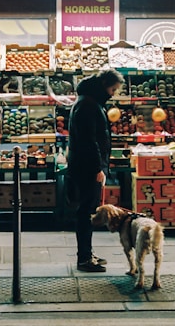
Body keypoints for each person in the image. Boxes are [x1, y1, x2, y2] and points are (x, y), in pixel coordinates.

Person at [67, 69, 124, 272]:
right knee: (86, 213)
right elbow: (89, 141)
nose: (113, 93)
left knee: (86, 211)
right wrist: (97, 167)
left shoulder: (87, 101)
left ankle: (87, 253)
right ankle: (83, 259)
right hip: (87, 168)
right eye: (112, 89)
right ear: (104, 85)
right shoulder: (88, 105)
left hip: (84, 166)